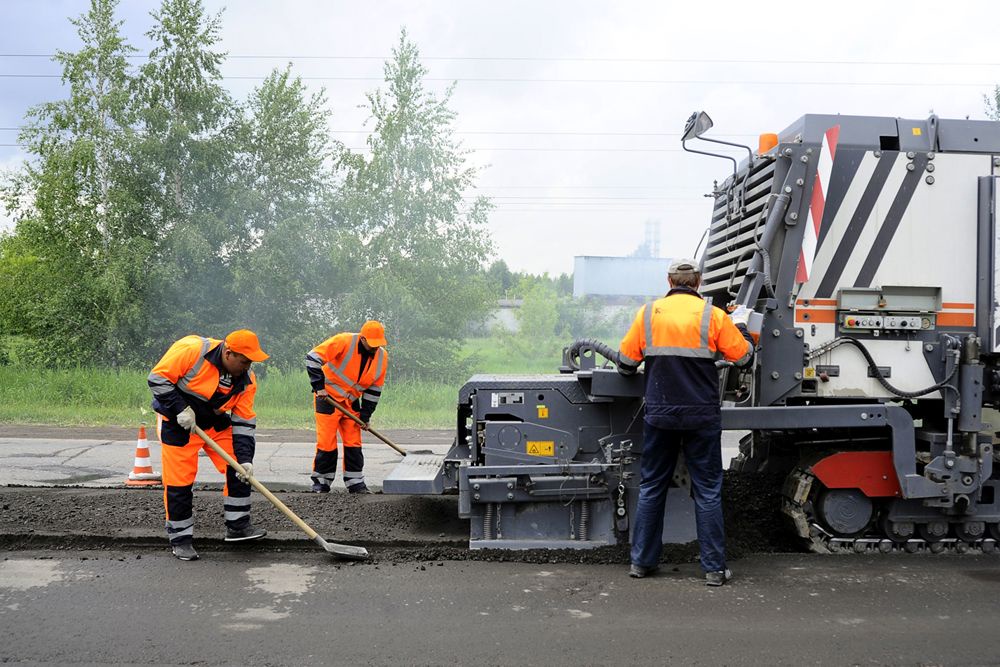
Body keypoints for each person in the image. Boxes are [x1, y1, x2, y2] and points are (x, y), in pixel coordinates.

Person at [617, 258, 754, 586]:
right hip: (701, 416)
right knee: (707, 490)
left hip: (660, 415)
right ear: (698, 281)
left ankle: (641, 563)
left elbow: (625, 363)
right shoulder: (713, 316)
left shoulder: (649, 314)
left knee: (651, 486)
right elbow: (744, 356)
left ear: (669, 280)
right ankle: (713, 569)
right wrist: (742, 328)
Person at [147, 330, 270, 561]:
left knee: (240, 470)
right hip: (179, 424)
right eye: (244, 361)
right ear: (228, 352)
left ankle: (238, 526)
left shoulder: (247, 381)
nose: (247, 367)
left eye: (251, 362)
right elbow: (157, 379)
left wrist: (245, 459)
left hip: (214, 423)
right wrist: (180, 409)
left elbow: (243, 423)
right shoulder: (192, 351)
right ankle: (180, 539)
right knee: (179, 482)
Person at [305, 320, 388, 494]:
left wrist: (365, 416)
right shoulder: (343, 341)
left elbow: (374, 390)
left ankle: (355, 482)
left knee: (353, 441)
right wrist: (319, 388)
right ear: (363, 338)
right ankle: (321, 482)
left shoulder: (382, 357)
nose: (375, 348)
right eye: (372, 344)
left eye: (378, 345)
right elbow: (312, 358)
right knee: (327, 442)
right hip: (327, 399)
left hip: (351, 402)